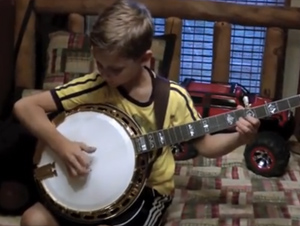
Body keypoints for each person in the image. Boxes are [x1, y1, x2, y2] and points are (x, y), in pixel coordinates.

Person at [13, 0, 260, 225]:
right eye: (99, 64)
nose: (105, 74)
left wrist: (240, 138)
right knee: (33, 219)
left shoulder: (172, 97)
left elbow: (206, 145)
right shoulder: (94, 85)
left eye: (115, 69)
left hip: (147, 192)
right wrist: (62, 146)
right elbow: (24, 107)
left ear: (146, 59)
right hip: (94, 181)